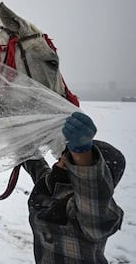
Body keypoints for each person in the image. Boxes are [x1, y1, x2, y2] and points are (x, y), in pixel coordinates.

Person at [23, 111, 125, 263]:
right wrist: (16, 134)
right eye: (66, 154)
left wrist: (83, 153)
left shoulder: (95, 212)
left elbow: (91, 192)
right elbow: (34, 160)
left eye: (73, 159)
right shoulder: (51, 184)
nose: (64, 158)